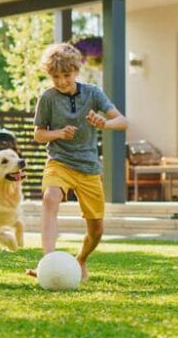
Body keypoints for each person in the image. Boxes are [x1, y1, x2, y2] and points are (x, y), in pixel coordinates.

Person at [27, 43, 128, 281]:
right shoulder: (48, 98)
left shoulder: (93, 93)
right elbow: (38, 134)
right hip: (59, 161)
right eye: (55, 76)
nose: (61, 81)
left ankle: (80, 260)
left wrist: (105, 123)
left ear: (76, 71)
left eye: (66, 75)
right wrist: (58, 133)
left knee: (96, 230)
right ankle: (48, 264)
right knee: (50, 198)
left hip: (88, 167)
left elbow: (122, 121)